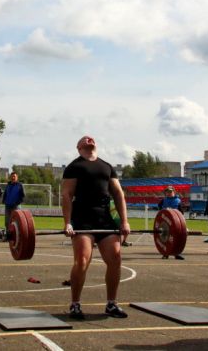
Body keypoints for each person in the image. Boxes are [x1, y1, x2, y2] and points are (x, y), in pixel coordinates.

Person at [61, 135, 130, 320]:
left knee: (115, 259)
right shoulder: (74, 166)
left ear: (95, 146)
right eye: (85, 141)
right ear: (78, 147)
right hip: (83, 219)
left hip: (105, 219)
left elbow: (118, 194)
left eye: (91, 140)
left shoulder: (107, 166)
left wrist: (124, 221)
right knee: (82, 261)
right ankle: (75, 304)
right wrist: (67, 222)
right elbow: (66, 194)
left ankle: (111, 304)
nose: (89, 141)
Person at [159, 186, 185, 260]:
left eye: (170, 192)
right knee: (165, 238)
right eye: (167, 192)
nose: (169, 193)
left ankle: (177, 253)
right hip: (166, 223)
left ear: (174, 192)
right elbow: (160, 209)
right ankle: (165, 253)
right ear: (165, 193)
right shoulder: (163, 200)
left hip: (176, 223)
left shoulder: (178, 201)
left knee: (177, 238)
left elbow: (181, 212)